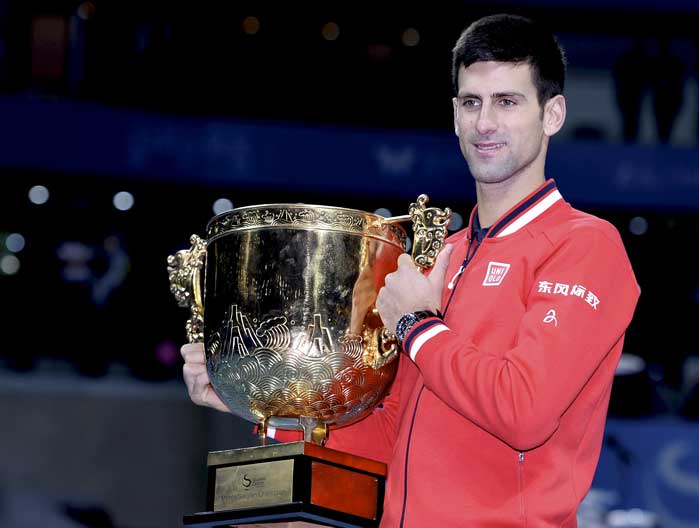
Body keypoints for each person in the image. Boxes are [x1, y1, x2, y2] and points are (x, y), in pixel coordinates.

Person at [180, 13, 639, 527]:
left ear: (552, 115)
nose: (485, 122)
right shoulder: (442, 256)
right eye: (471, 102)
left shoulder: (584, 245)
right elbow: (391, 433)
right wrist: (267, 403)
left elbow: (524, 413)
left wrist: (417, 326)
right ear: (455, 114)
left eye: (507, 102)